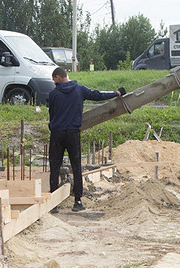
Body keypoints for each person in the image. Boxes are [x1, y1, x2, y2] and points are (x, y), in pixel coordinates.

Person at [47, 67, 123, 211]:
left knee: (55, 166)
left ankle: (54, 203)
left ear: (58, 77)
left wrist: (52, 126)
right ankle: (78, 201)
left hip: (57, 133)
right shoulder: (79, 90)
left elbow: (52, 114)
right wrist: (116, 93)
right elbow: (98, 95)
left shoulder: (54, 94)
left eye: (54, 80)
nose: (54, 82)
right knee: (76, 166)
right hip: (73, 133)